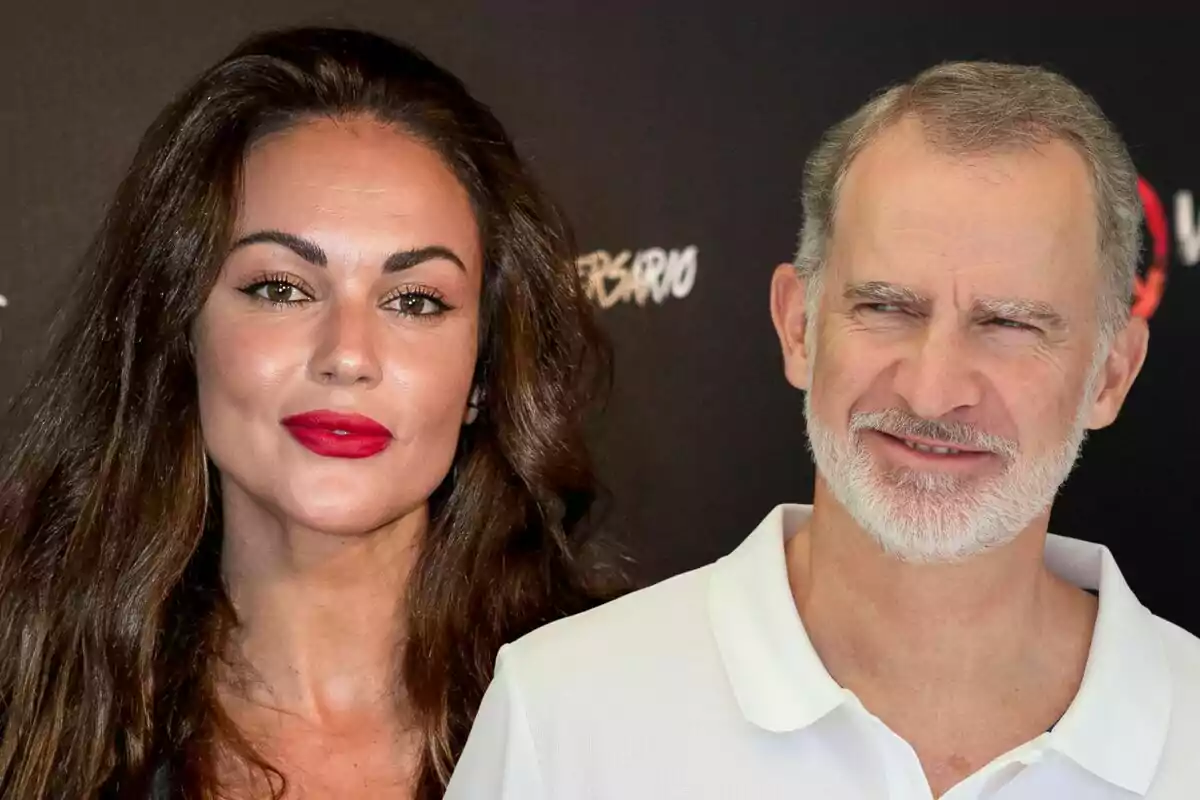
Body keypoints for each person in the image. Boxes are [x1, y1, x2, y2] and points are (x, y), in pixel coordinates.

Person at [446, 61, 1200, 799]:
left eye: (1007, 324)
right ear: (798, 326)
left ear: (1110, 374)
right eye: (885, 308)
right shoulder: (564, 714)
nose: (932, 391)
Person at [0, 26, 620, 800]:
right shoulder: (26, 702)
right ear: (180, 331)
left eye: (415, 300)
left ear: (482, 375)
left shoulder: (623, 702)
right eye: (281, 288)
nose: (348, 354)